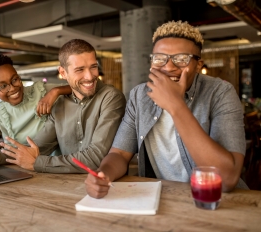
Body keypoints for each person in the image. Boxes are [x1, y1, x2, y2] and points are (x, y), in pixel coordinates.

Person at [85, 21, 247, 198]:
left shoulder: (221, 93)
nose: (169, 67)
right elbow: (120, 154)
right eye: (160, 58)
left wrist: (175, 105)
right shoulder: (139, 96)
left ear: (198, 65)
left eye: (181, 59)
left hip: (216, 201)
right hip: (161, 198)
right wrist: (104, 174)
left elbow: (227, 178)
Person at [0, 39, 126, 173]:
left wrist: (37, 163)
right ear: (63, 73)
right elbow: (37, 148)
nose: (90, 76)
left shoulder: (111, 97)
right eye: (80, 70)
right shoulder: (60, 104)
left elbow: (96, 157)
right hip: (65, 187)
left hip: (105, 187)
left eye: (93, 67)